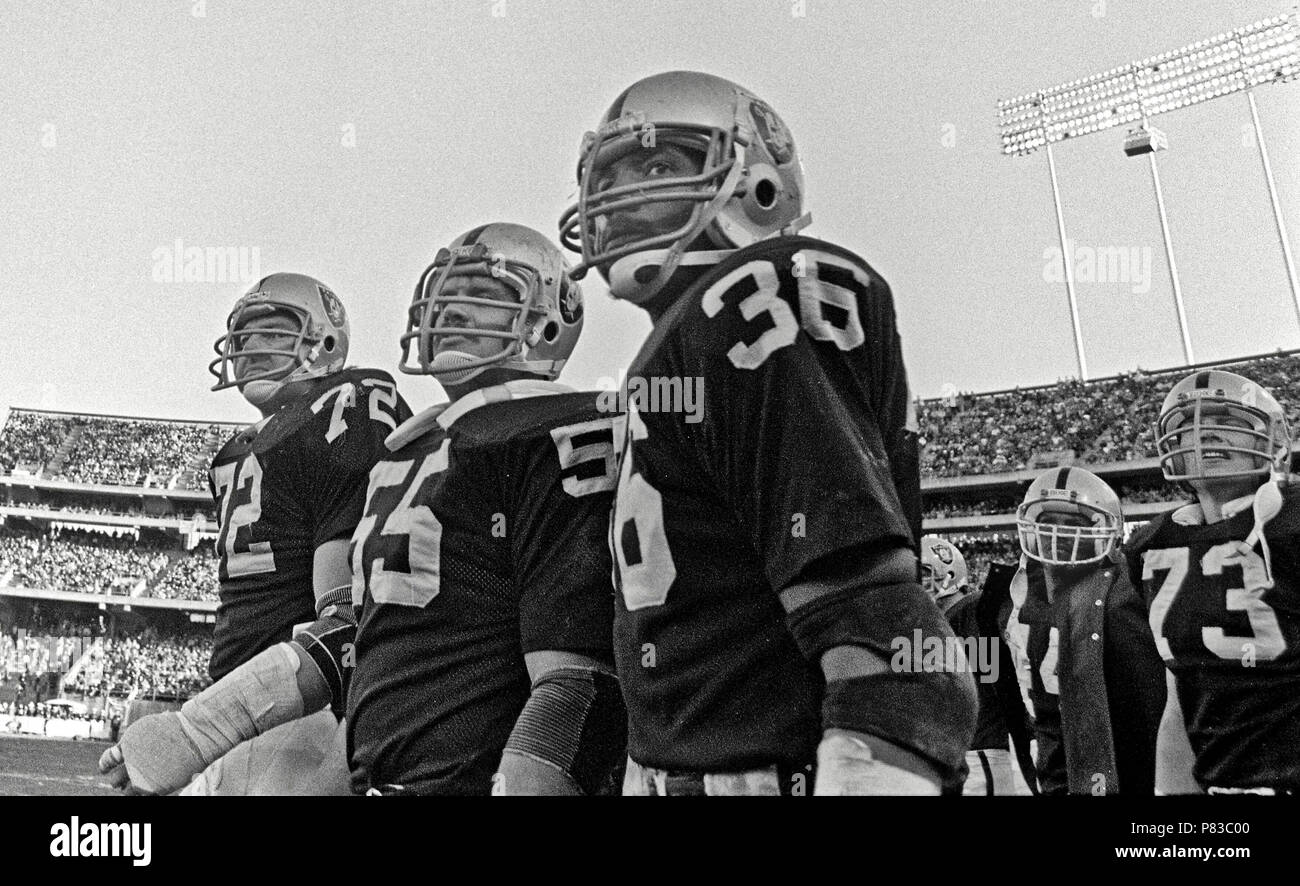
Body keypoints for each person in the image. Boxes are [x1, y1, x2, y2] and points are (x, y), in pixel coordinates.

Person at [559, 70, 976, 795]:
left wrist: (881, 746)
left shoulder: (757, 288)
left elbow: (876, 622)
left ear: (757, 181)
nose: (619, 197)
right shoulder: (675, 345)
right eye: (610, 176)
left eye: (657, 167)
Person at [100, 272, 410, 795]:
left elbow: (343, 624)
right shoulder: (237, 451)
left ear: (324, 341)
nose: (250, 347)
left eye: (272, 331)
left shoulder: (344, 409)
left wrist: (198, 732)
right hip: (247, 696)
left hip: (308, 709)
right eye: (243, 335)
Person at [347, 222, 626, 795]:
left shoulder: (559, 427)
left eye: (481, 293)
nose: (450, 310)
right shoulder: (404, 451)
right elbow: (368, 680)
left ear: (547, 322)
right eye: (442, 295)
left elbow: (578, 686)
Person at [1126, 369, 1300, 794]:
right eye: (1186, 425)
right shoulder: (1154, 543)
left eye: (1229, 420)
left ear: (1274, 441)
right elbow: (1178, 700)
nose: (1204, 432)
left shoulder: (1292, 521)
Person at [1006, 466, 1164, 795]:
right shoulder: (1020, 600)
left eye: (1073, 524)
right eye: (1048, 522)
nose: (1058, 534)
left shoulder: (1125, 593)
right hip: (1057, 767)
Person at [923, 535, 1033, 795]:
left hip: (982, 752)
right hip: (958, 753)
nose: (918, 584)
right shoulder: (939, 623)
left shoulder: (975, 609)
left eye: (925, 574)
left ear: (949, 575)